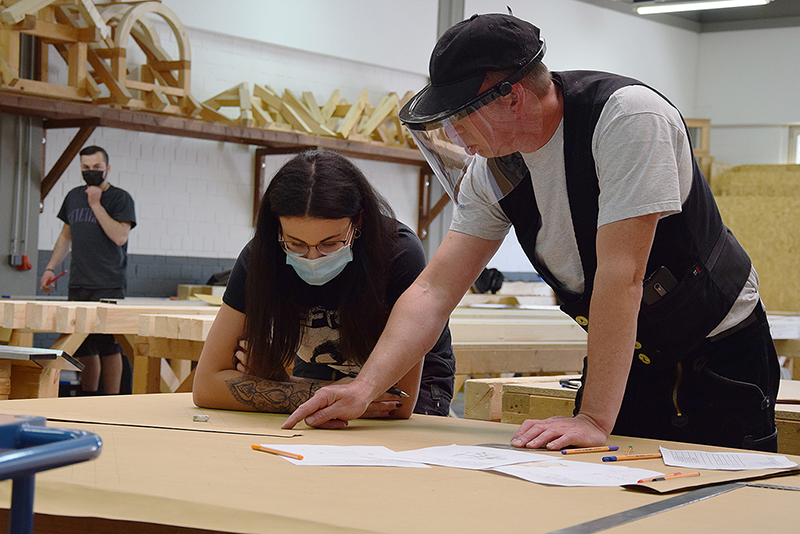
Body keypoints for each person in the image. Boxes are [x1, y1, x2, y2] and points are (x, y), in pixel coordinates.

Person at [284, 14, 780, 452]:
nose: (456, 137)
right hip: (628, 356)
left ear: (513, 97)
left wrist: (593, 417)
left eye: (460, 118)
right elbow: (434, 291)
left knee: (712, 502)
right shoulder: (496, 170)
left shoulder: (627, 119)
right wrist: (362, 388)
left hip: (716, 353)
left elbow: (622, 275)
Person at [192, 150, 455, 420]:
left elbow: (397, 404)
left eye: (330, 244)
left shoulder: (397, 252)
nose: (313, 258)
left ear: (358, 221)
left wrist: (280, 386)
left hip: (418, 387)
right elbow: (206, 386)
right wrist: (328, 392)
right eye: (296, 245)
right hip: (319, 372)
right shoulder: (262, 255)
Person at [40, 145, 136, 395]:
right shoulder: (73, 196)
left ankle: (112, 397)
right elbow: (65, 237)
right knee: (83, 344)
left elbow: (120, 237)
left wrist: (96, 204)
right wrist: (50, 268)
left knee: (108, 344)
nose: (91, 171)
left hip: (108, 282)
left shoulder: (120, 198)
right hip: (79, 281)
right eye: (86, 168)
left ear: (107, 168)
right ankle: (88, 394)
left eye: (96, 167)